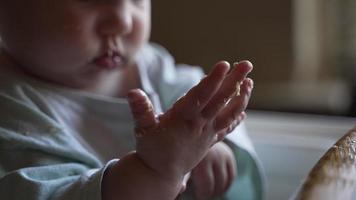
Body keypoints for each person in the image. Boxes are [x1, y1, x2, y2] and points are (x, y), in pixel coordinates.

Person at [0, 0, 264, 199]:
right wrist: (154, 172)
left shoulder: (147, 64)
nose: (123, 21)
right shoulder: (10, 110)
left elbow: (187, 87)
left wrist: (209, 140)